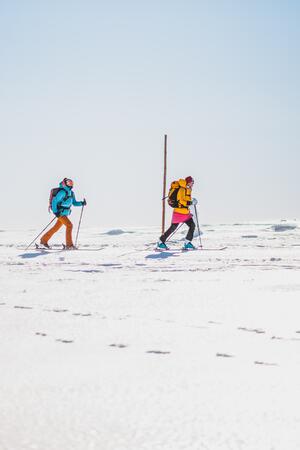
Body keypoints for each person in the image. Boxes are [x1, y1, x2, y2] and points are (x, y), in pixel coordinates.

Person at [40, 178, 86, 249]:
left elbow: (74, 203)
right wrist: (55, 212)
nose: (70, 184)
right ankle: (69, 245)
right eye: (68, 182)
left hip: (65, 213)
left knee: (56, 228)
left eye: (71, 183)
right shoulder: (62, 192)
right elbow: (54, 201)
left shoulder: (71, 193)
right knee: (69, 225)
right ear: (65, 183)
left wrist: (81, 203)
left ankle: (43, 241)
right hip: (60, 212)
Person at [157, 176, 197, 250]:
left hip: (183, 212)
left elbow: (185, 200)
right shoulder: (182, 189)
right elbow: (180, 200)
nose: (193, 184)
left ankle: (161, 242)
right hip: (180, 212)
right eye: (192, 182)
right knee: (188, 226)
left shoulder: (186, 189)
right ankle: (187, 243)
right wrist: (191, 202)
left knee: (190, 225)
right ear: (188, 182)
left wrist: (191, 201)